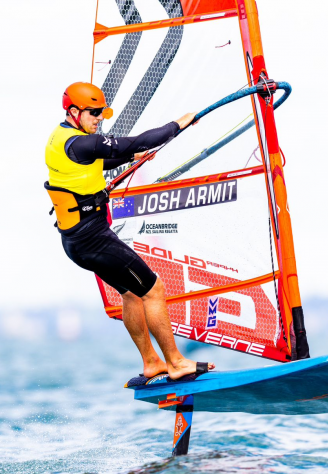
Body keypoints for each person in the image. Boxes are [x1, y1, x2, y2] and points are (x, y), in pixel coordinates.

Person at [44, 82, 215, 381]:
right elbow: (135, 141)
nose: (99, 119)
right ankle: (175, 362)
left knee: (131, 294)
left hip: (76, 241)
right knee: (154, 290)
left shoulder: (64, 138)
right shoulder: (82, 143)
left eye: (101, 113)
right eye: (94, 113)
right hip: (93, 237)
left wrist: (128, 158)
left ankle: (152, 362)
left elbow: (97, 162)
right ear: (74, 112)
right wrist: (180, 124)